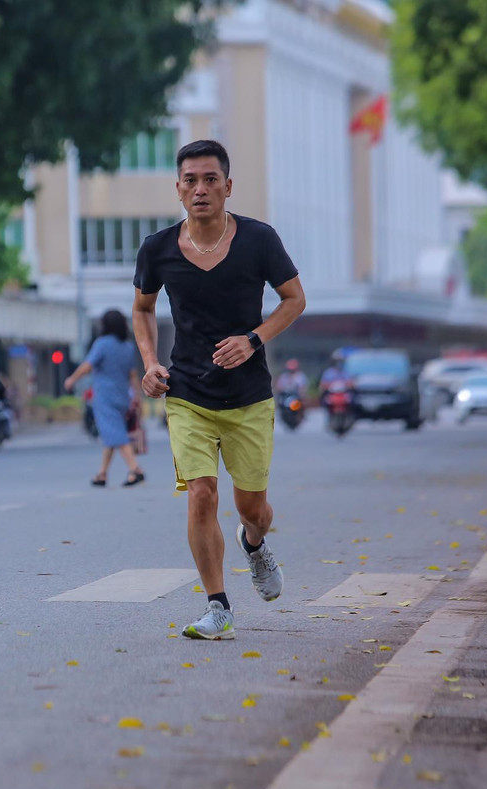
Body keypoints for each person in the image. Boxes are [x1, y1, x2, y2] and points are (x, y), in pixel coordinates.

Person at [132, 139, 307, 640]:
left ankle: (255, 544)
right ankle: (218, 606)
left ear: (228, 187)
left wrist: (254, 340)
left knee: (253, 508)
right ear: (178, 190)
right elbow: (142, 309)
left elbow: (293, 299)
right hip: (187, 391)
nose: (200, 189)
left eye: (210, 179)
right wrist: (149, 364)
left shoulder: (258, 240)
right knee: (201, 495)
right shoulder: (158, 249)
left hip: (249, 394)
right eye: (190, 180)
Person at [64, 309, 145, 487]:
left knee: (115, 433)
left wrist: (72, 379)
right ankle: (102, 474)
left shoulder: (102, 343)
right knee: (112, 433)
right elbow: (133, 374)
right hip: (123, 396)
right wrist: (137, 396)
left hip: (105, 397)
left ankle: (135, 469)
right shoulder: (128, 346)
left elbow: (87, 366)